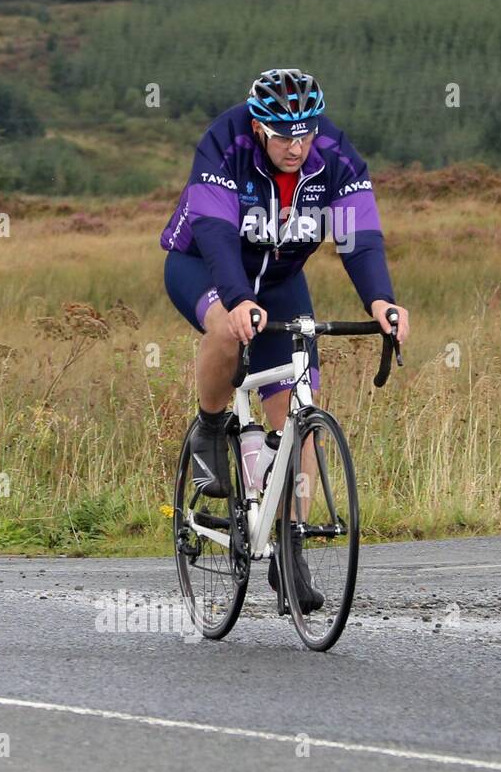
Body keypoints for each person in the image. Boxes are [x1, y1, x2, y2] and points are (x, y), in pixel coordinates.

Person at [159, 68, 409, 609]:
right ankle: (208, 427)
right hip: (202, 266)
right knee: (227, 327)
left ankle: (290, 555)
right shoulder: (224, 144)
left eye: (305, 133)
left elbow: (360, 240)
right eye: (282, 136)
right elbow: (216, 234)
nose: (296, 147)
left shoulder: (335, 157)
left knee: (300, 418)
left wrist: (381, 302)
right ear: (258, 128)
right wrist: (235, 298)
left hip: (279, 283)